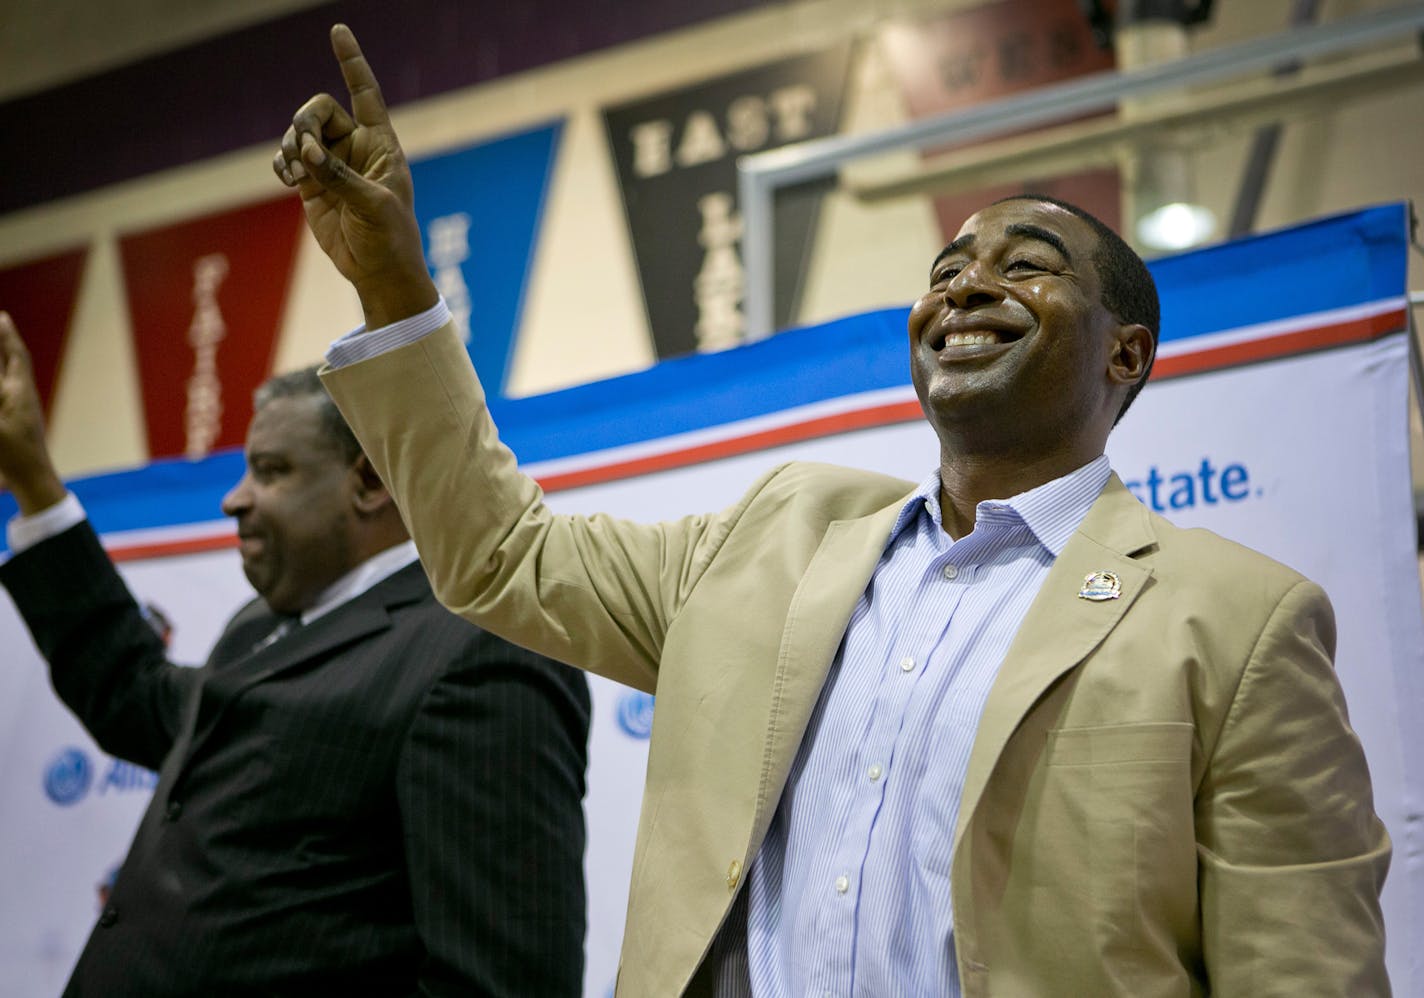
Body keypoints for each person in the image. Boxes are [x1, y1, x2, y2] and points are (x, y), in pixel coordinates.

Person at [274, 25, 1390, 997]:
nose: (965, 282)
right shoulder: (776, 536)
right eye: (948, 263)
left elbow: (1297, 971)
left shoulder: (1238, 621)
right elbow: (500, 553)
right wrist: (392, 284)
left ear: (1124, 353)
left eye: (1029, 263)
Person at [0, 318, 592, 997]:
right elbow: (134, 696)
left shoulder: (477, 651)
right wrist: (33, 482)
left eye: (271, 471)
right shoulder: (262, 625)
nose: (234, 499)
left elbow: (503, 982)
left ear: (368, 481)